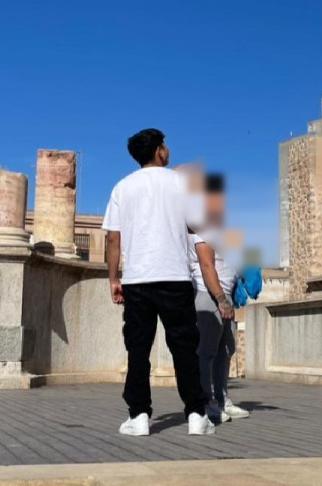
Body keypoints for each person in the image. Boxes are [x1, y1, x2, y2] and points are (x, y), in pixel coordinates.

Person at [102, 128, 231, 437]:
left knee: (138, 350)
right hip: (175, 278)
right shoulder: (181, 184)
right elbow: (200, 230)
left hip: (137, 280)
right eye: (165, 145)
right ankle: (197, 415)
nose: (167, 149)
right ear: (159, 150)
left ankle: (139, 416)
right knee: (185, 349)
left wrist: (113, 278)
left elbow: (112, 239)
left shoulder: (122, 187)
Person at [189, 173, 249, 423]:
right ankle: (206, 403)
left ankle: (222, 398)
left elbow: (239, 255)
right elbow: (206, 266)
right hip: (209, 294)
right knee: (207, 351)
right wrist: (220, 299)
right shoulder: (199, 226)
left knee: (226, 349)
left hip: (226, 295)